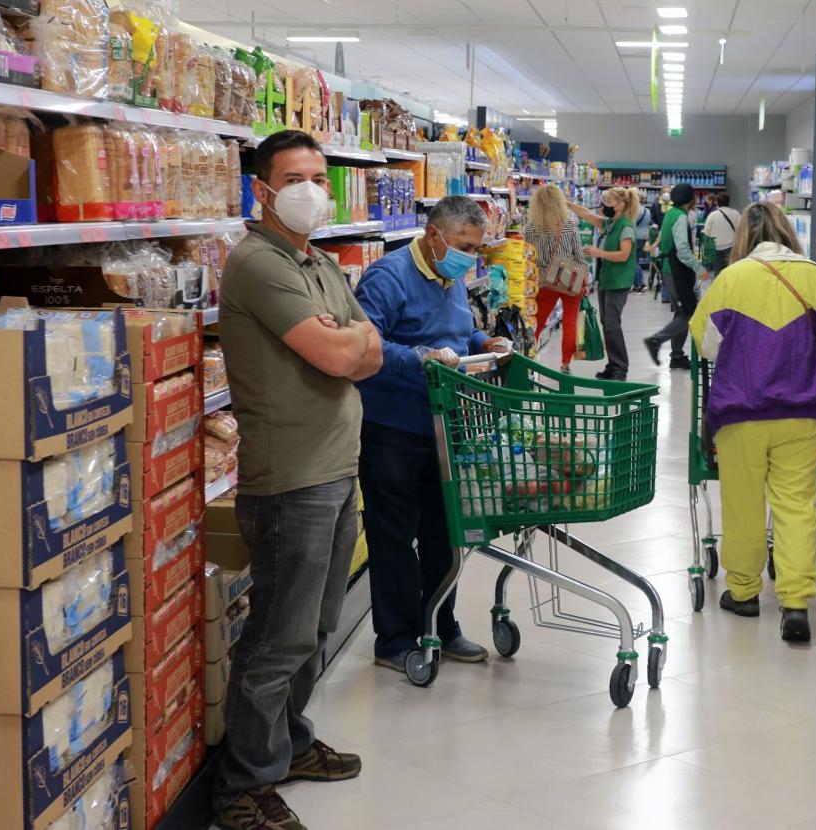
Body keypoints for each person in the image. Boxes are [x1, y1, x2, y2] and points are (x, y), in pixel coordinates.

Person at [213, 130, 381, 830]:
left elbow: (366, 346)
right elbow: (339, 353)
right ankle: (242, 790)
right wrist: (348, 345)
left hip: (338, 470)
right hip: (290, 480)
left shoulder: (316, 263)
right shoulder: (258, 262)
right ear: (263, 189)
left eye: (318, 175)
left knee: (315, 628)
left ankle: (288, 747)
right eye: (293, 176)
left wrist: (352, 344)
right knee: (278, 638)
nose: (310, 188)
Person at [353, 196, 510, 673]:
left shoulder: (453, 277)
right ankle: (396, 640)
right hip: (395, 429)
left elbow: (457, 334)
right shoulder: (388, 276)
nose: (471, 257)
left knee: (445, 534)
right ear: (433, 235)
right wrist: (420, 357)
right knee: (394, 536)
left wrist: (484, 343)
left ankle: (442, 627)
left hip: (447, 427)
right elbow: (365, 346)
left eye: (476, 249)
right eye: (463, 245)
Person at [689, 203, 816, 643]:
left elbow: (704, 345)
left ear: (744, 237)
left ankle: (743, 592)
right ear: (788, 232)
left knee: (742, 501)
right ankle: (796, 602)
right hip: (803, 412)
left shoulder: (731, 279)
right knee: (797, 503)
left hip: (741, 412)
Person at [568, 186, 639, 380]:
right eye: (604, 200)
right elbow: (586, 214)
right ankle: (613, 365)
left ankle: (620, 368)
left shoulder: (625, 227)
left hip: (618, 283)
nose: (604, 205)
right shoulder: (610, 224)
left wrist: (599, 253)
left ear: (621, 205)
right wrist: (565, 203)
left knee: (612, 325)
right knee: (607, 324)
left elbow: (624, 255)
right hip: (607, 281)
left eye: (608, 202)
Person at [525, 184, 589, 372]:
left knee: (537, 321)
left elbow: (528, 258)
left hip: (544, 282)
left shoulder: (531, 229)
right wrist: (583, 280)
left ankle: (528, 360)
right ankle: (565, 364)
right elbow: (579, 256)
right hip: (569, 279)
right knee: (570, 322)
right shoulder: (568, 225)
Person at [645, 183, 708, 371]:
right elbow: (682, 249)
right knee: (688, 313)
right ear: (690, 200)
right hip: (677, 271)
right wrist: (699, 268)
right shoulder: (681, 217)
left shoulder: (670, 214)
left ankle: (677, 356)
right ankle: (656, 340)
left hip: (669, 269)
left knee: (681, 312)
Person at [702, 192, 741, 278]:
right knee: (731, 271)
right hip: (731, 247)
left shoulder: (712, 215)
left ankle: (719, 288)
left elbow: (706, 233)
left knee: (717, 271)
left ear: (717, 202)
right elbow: (741, 230)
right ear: (728, 202)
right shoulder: (736, 213)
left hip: (716, 248)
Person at [632, 191, 653, 293]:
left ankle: (640, 284)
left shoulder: (636, 210)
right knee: (637, 260)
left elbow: (632, 224)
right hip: (644, 237)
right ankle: (639, 283)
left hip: (636, 237)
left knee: (634, 261)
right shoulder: (647, 210)